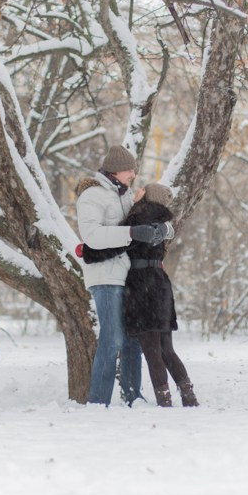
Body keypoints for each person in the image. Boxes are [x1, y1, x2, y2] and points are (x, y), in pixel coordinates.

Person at [84, 183, 198, 408]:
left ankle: (164, 400)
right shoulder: (162, 223)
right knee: (166, 348)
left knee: (151, 349)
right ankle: (188, 395)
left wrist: (87, 252)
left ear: (148, 196)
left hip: (141, 285)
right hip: (160, 283)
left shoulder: (138, 219)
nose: (137, 191)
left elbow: (116, 243)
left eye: (142, 190)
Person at [75, 145, 173, 406]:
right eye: (130, 170)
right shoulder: (92, 196)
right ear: (118, 169)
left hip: (130, 277)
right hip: (105, 275)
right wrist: (132, 233)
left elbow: (159, 219)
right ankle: (99, 401)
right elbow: (92, 237)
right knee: (112, 337)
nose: (133, 175)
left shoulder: (127, 196)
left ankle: (133, 397)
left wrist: (162, 229)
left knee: (132, 337)